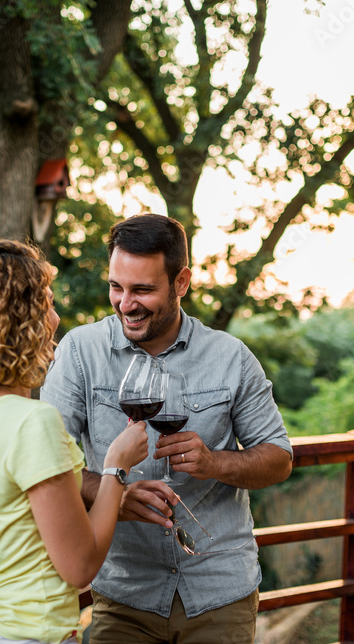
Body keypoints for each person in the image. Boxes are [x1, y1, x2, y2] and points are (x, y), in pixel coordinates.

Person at [40, 214, 293, 644]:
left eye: (142, 289)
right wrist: (111, 493)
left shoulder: (231, 357)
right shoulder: (80, 352)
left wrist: (214, 462)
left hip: (219, 593)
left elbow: (279, 459)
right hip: (124, 594)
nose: (125, 303)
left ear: (181, 283)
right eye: (116, 286)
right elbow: (48, 463)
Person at [0, 239, 149, 644]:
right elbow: (79, 567)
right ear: (19, 320)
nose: (55, 318)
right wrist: (116, 468)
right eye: (47, 303)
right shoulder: (34, 423)